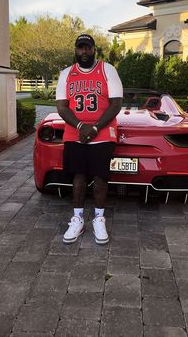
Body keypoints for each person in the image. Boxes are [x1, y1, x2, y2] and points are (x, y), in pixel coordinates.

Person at [56, 34, 123, 245]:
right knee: (78, 176)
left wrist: (94, 127)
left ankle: (99, 218)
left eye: (88, 48)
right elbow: (61, 107)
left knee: (101, 176)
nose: (84, 51)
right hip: (75, 132)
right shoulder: (66, 74)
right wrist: (80, 126)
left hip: (102, 132)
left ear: (94, 49)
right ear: (75, 50)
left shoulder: (107, 70)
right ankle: (77, 219)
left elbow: (116, 104)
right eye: (80, 48)